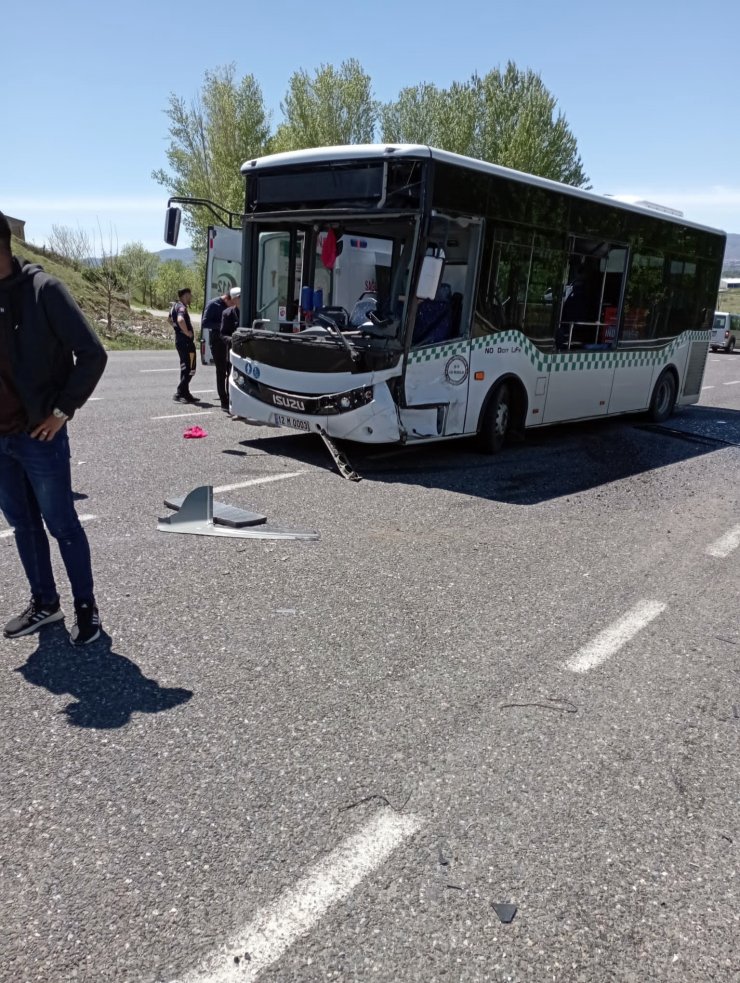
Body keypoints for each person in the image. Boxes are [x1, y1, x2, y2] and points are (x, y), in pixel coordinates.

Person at [0, 210, 108, 644]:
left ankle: (87, 608)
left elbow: (93, 354)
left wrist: (61, 411)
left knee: (61, 524)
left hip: (38, 435)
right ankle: (45, 603)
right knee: (22, 526)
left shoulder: (44, 291)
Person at [201, 289, 234, 409]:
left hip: (228, 341)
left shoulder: (231, 307)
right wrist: (222, 325)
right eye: (231, 303)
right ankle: (223, 400)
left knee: (230, 369)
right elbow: (205, 323)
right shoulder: (213, 304)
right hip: (217, 342)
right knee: (221, 371)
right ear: (226, 298)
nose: (232, 306)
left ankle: (231, 397)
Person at [172, 287, 197, 403]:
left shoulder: (175, 306)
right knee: (191, 368)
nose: (190, 298)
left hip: (180, 341)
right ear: (185, 296)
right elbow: (180, 320)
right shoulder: (181, 307)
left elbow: (169, 319)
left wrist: (177, 330)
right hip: (186, 342)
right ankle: (180, 392)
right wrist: (187, 332)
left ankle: (185, 393)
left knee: (185, 368)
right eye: (189, 295)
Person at [219, 288, 241, 411]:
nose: (241, 299)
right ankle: (230, 403)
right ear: (233, 299)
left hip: (248, 352)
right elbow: (222, 334)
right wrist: (233, 340)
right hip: (233, 351)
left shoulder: (250, 312)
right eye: (239, 297)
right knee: (231, 376)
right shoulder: (227, 313)